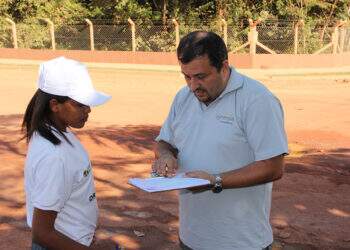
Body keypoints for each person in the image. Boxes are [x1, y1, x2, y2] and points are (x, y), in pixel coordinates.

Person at [152, 31, 288, 250]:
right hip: (190, 238)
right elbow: (164, 142)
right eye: (186, 76)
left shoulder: (257, 100)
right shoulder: (183, 97)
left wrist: (215, 180)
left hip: (240, 242)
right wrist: (166, 155)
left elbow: (273, 167)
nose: (193, 85)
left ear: (224, 67)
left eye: (201, 76)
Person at [22, 57, 111, 250]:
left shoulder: (55, 131)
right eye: (80, 104)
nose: (88, 110)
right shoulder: (54, 156)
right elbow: (42, 233)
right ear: (55, 105)